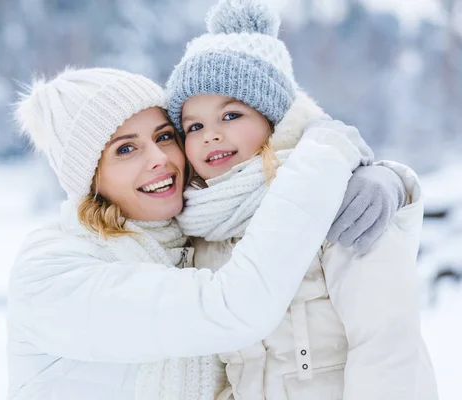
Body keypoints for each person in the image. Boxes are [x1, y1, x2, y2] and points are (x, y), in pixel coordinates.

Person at [7, 67, 396, 400]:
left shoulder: (197, 238)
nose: (159, 159)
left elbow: (255, 182)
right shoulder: (51, 273)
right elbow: (235, 308)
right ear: (90, 178)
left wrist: (382, 179)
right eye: (126, 150)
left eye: (163, 136)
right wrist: (325, 158)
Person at [165, 1, 438, 399]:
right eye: (194, 125)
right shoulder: (199, 234)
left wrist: (391, 178)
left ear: (271, 119)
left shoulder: (338, 199)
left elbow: (387, 342)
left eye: (230, 116)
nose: (210, 135)